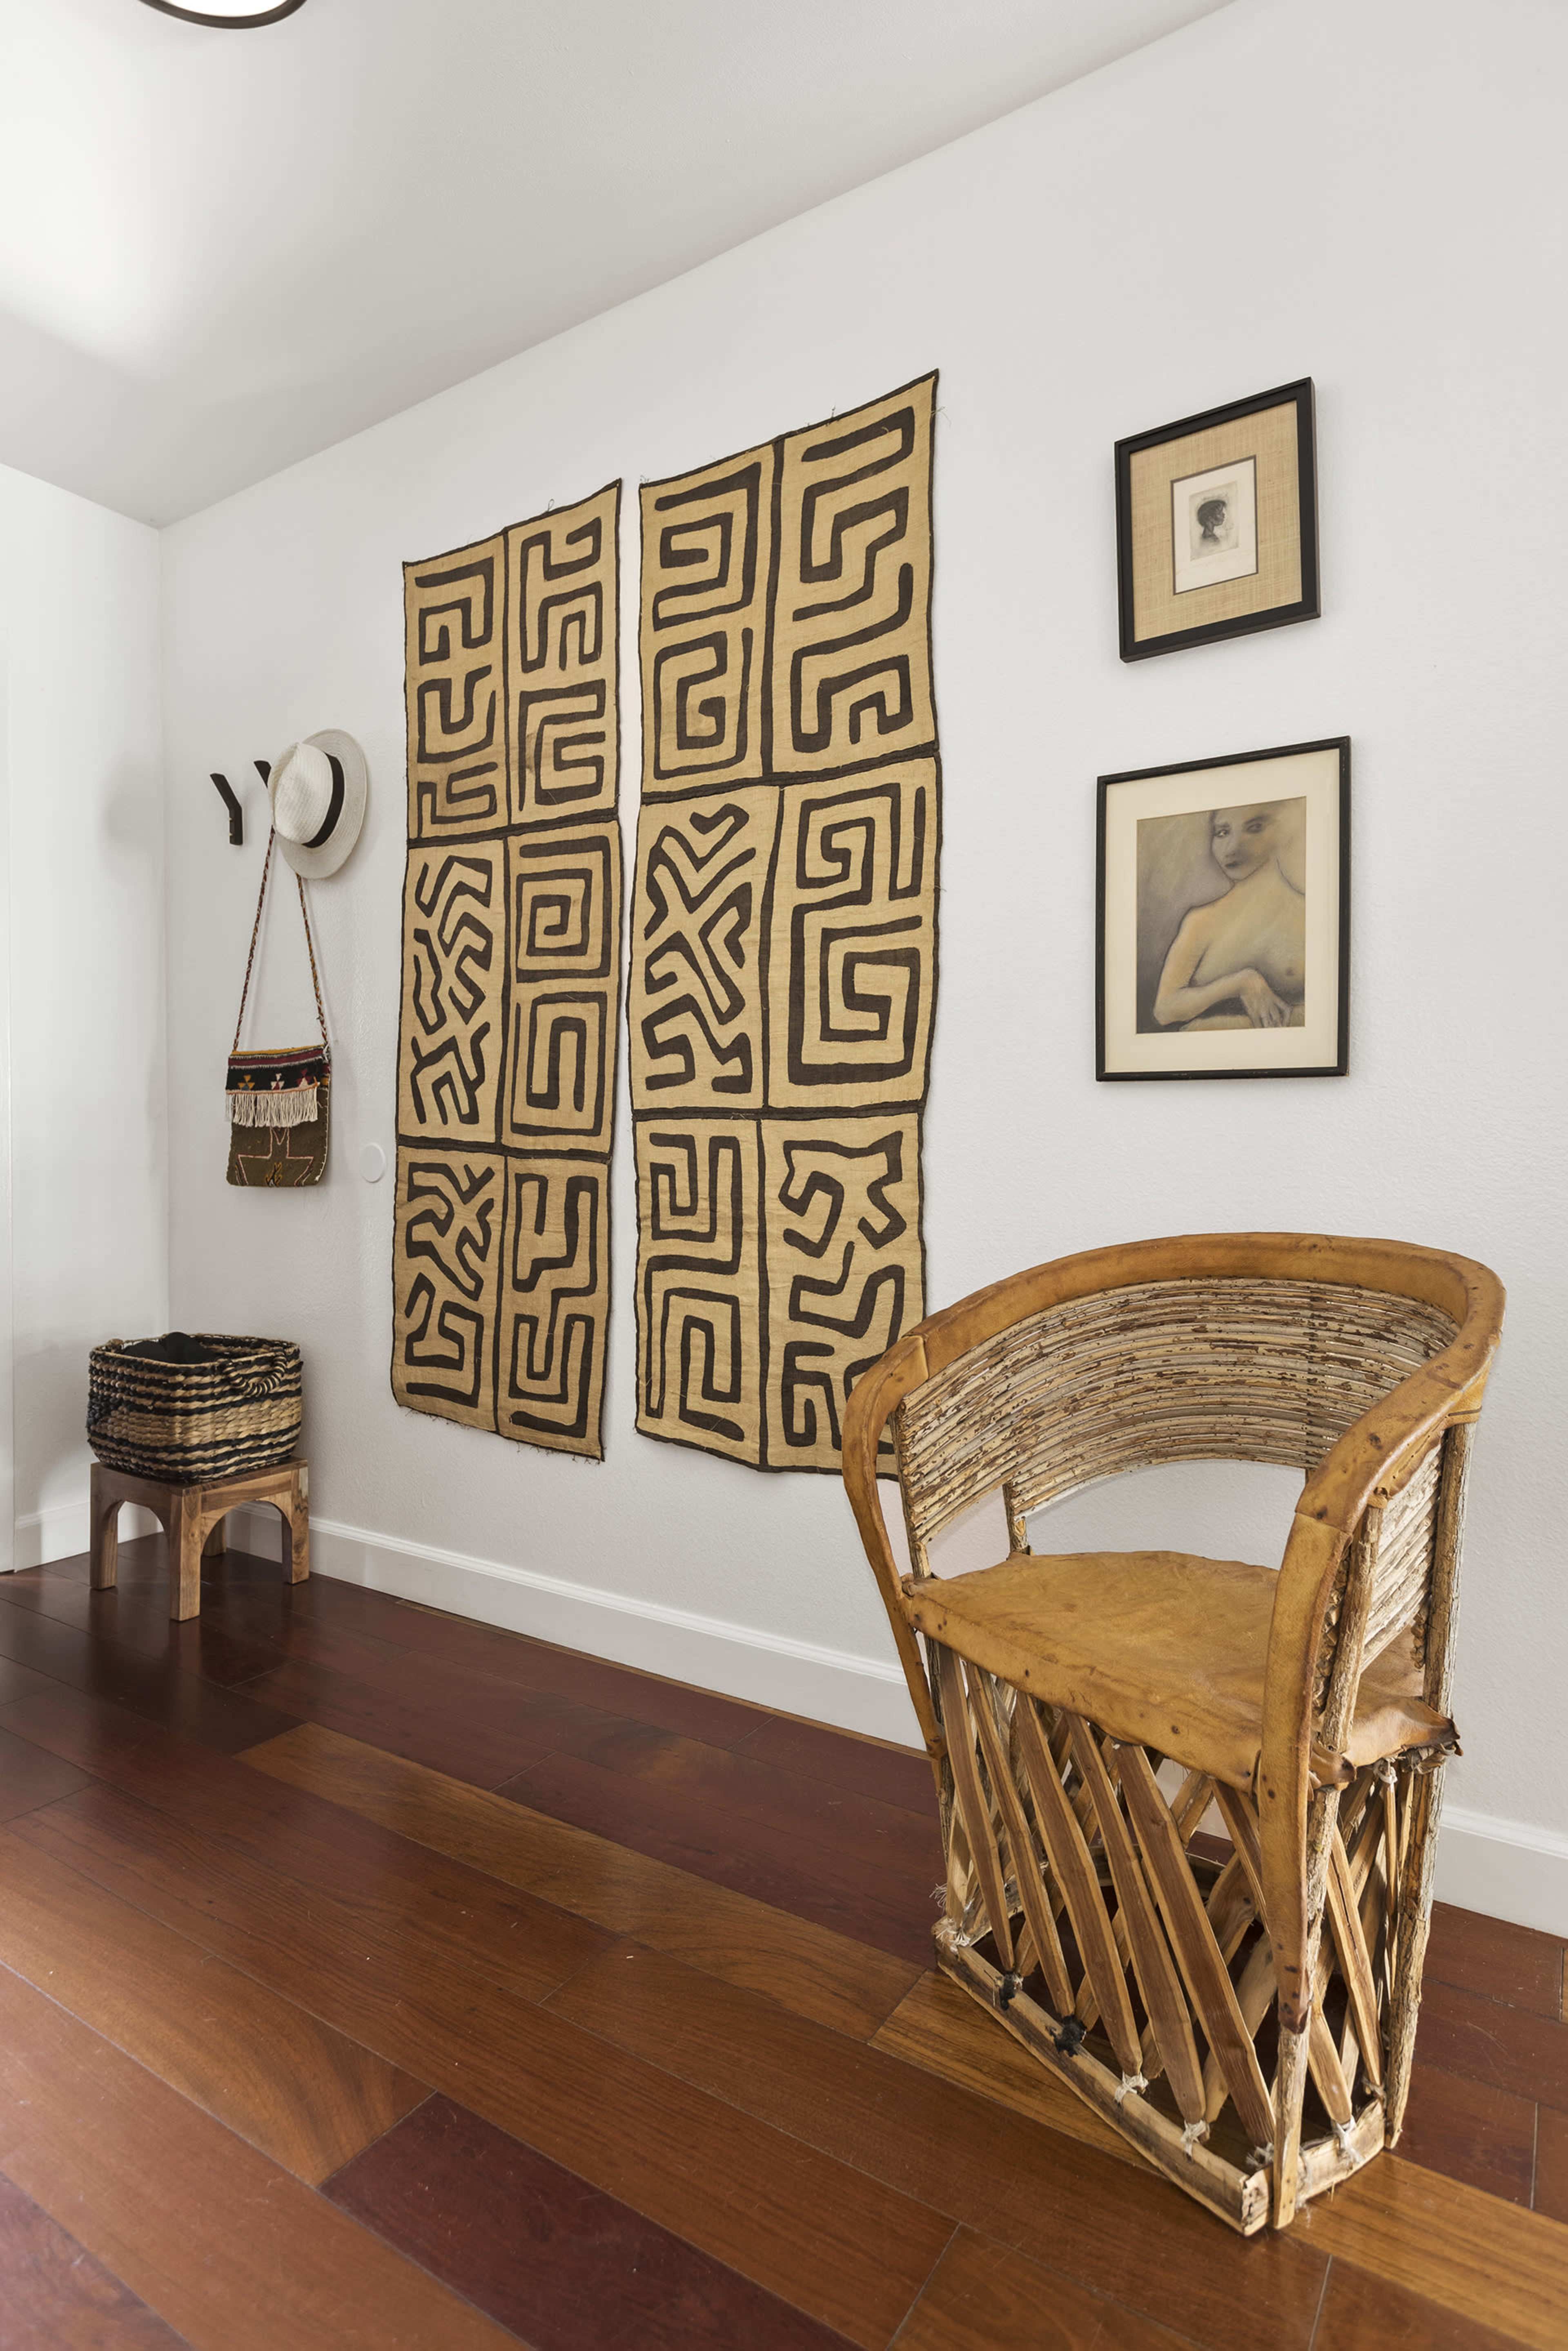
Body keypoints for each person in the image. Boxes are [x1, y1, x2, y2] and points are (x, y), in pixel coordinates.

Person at [1152, 802, 1305, 1030]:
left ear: (1283, 831)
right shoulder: (1200, 920)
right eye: (1222, 833)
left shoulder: (1308, 917)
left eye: (1254, 828)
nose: (1232, 848)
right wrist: (1241, 983)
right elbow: (1165, 1010)